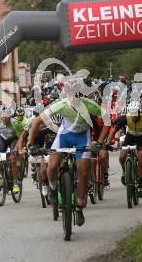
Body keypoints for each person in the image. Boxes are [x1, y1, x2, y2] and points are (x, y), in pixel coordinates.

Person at [28, 94, 107, 227]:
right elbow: (37, 121)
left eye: (77, 98)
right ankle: (53, 189)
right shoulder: (61, 104)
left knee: (83, 173)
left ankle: (79, 207)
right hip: (64, 136)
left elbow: (107, 119)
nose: (74, 101)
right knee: (52, 166)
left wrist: (99, 141)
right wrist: (31, 144)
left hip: (82, 137)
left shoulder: (89, 104)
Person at [107, 101, 142, 193]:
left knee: (141, 161)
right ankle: (125, 171)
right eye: (132, 113)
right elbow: (113, 131)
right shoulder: (126, 118)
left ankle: (141, 184)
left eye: (136, 114)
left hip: (141, 139)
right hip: (129, 138)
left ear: (139, 112)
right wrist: (108, 143)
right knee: (122, 157)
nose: (134, 116)